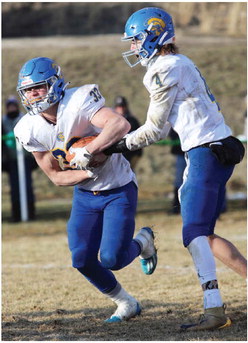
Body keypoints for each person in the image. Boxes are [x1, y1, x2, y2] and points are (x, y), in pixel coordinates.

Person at [103, 7, 246, 330]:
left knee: (193, 233)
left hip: (205, 152)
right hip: (215, 148)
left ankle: (214, 310)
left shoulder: (164, 67)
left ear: (154, 35)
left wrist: (113, 145)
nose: (133, 47)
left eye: (137, 40)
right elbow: (166, 127)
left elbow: (154, 130)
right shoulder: (179, 63)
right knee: (204, 234)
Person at [14, 57, 158, 323]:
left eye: (40, 87)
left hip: (118, 188)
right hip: (84, 195)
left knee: (112, 258)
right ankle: (126, 302)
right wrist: (88, 170)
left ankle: (143, 243)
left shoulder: (78, 101)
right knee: (81, 259)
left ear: (55, 85)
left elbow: (120, 125)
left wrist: (89, 150)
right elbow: (56, 177)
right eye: (28, 90)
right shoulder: (28, 127)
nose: (34, 95)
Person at [2, 96, 36, 222]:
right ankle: (16, 214)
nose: (11, 108)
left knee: (27, 187)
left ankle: (30, 212)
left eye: (13, 106)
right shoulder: (3, 121)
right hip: (11, 161)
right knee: (15, 188)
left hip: (26, 159)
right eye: (9, 106)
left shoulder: (24, 119)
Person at [114, 96, 143, 170]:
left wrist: (137, 155)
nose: (121, 109)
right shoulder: (111, 121)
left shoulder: (133, 121)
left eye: (123, 106)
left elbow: (139, 137)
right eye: (119, 106)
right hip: (114, 157)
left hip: (130, 155)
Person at [168, 128, 186, 214]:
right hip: (181, 153)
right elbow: (172, 134)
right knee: (179, 181)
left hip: (192, 152)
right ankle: (176, 208)